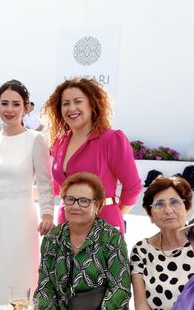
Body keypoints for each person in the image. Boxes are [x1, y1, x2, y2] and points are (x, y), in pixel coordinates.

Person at [36, 172, 132, 310]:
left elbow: (120, 289)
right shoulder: (53, 238)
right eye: (70, 199)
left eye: (84, 201)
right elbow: (44, 286)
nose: (75, 206)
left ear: (97, 206)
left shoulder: (111, 238)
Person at [0, 79, 54, 302]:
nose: (10, 109)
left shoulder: (36, 139)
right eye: (4, 104)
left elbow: (45, 183)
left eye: (16, 104)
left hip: (20, 219)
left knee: (17, 274)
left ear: (26, 108)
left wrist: (48, 215)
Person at [43, 77, 142, 233]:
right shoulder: (60, 142)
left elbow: (133, 187)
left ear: (92, 104)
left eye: (78, 101)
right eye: (66, 103)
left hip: (102, 226)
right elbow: (58, 186)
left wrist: (113, 213)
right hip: (66, 224)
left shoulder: (111, 139)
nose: (71, 108)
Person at [127, 175, 194, 310]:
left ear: (187, 208)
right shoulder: (141, 250)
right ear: (151, 215)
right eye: (159, 205)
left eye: (175, 202)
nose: (168, 210)